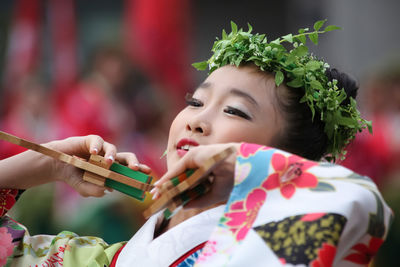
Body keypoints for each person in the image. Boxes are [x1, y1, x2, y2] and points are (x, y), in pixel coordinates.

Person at [0, 21, 392, 266]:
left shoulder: (268, 253)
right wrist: (45, 166)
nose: (198, 121)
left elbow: (358, 202)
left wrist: (237, 160)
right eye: (195, 102)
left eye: (235, 111)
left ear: (285, 160)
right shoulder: (111, 260)